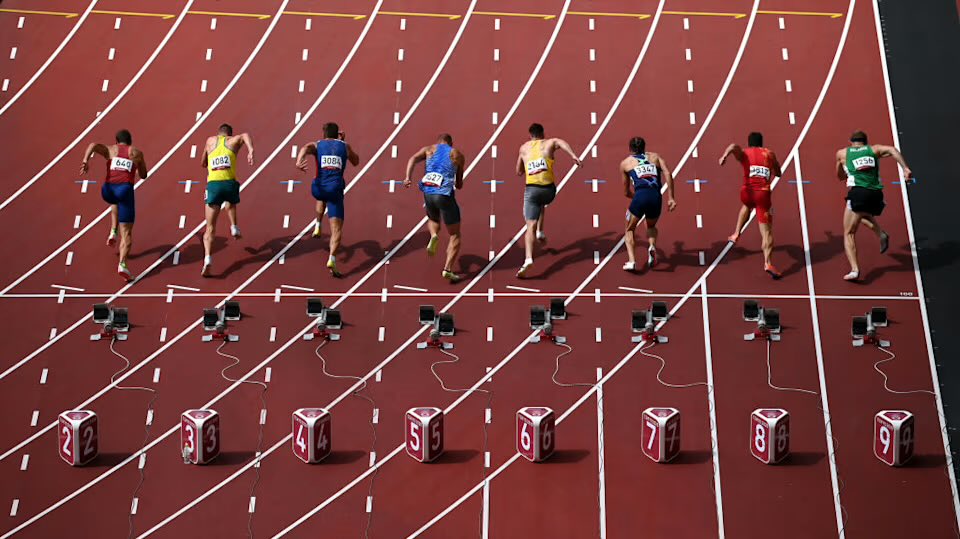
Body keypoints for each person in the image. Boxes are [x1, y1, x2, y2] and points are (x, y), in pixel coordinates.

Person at [835, 130, 911, 281]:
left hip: (858, 193)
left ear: (851, 142)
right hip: (876, 195)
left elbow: (840, 177)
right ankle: (881, 234)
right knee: (861, 214)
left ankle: (855, 270)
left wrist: (843, 166)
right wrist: (905, 168)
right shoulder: (874, 149)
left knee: (849, 232)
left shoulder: (842, 153)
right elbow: (893, 150)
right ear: (865, 142)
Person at [80, 129, 148, 282]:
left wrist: (85, 161)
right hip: (124, 190)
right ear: (130, 141)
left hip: (107, 190)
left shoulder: (111, 150)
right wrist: (137, 167)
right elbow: (144, 175)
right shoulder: (136, 153)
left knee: (115, 200)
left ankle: (113, 231)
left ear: (116, 141)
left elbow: (93, 144)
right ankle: (122, 264)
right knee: (127, 232)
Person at [515, 123, 581, 278]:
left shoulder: (524, 148)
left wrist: (527, 165)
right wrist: (573, 155)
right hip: (549, 191)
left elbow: (518, 171)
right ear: (543, 133)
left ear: (530, 135)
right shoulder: (549, 143)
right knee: (541, 203)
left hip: (532, 190)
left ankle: (528, 259)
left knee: (529, 225)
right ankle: (540, 231)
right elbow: (560, 142)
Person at [296, 122, 359, 278]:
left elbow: (305, 147)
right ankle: (332, 259)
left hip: (318, 189)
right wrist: (344, 144)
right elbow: (356, 161)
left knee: (322, 196)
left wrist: (299, 161)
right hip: (335, 190)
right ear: (338, 134)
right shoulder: (344, 147)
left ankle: (318, 224)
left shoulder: (317, 145)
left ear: (323, 134)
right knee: (336, 230)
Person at [719, 132, 783, 279]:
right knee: (767, 233)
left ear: (749, 143)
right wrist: (773, 170)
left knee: (747, 206)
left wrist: (725, 156)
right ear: (761, 143)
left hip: (747, 193)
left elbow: (733, 146)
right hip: (763, 196)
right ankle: (768, 263)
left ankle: (736, 233)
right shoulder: (769, 154)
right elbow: (778, 172)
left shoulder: (745, 154)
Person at [404, 134, 466, 282]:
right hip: (444, 195)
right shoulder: (456, 154)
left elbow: (412, 158)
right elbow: (459, 184)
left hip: (428, 192)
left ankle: (433, 235)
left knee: (433, 219)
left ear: (438, 142)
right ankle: (447, 269)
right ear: (451, 143)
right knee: (455, 235)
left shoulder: (429, 149)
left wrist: (408, 177)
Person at [199, 123, 254, 277]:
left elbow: (203, 163)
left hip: (214, 186)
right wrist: (250, 150)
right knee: (230, 200)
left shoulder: (210, 141)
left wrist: (211, 160)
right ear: (229, 135)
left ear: (218, 134)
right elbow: (244, 135)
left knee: (210, 228)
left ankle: (208, 259)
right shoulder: (232, 141)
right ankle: (234, 226)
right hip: (229, 184)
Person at [620, 137, 676, 271]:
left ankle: (632, 261)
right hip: (656, 197)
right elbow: (668, 173)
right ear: (644, 147)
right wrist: (671, 197)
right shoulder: (655, 157)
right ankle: (652, 246)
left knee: (629, 229)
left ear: (630, 148)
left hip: (640, 196)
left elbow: (626, 192)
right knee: (651, 226)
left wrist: (637, 198)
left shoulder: (626, 163)